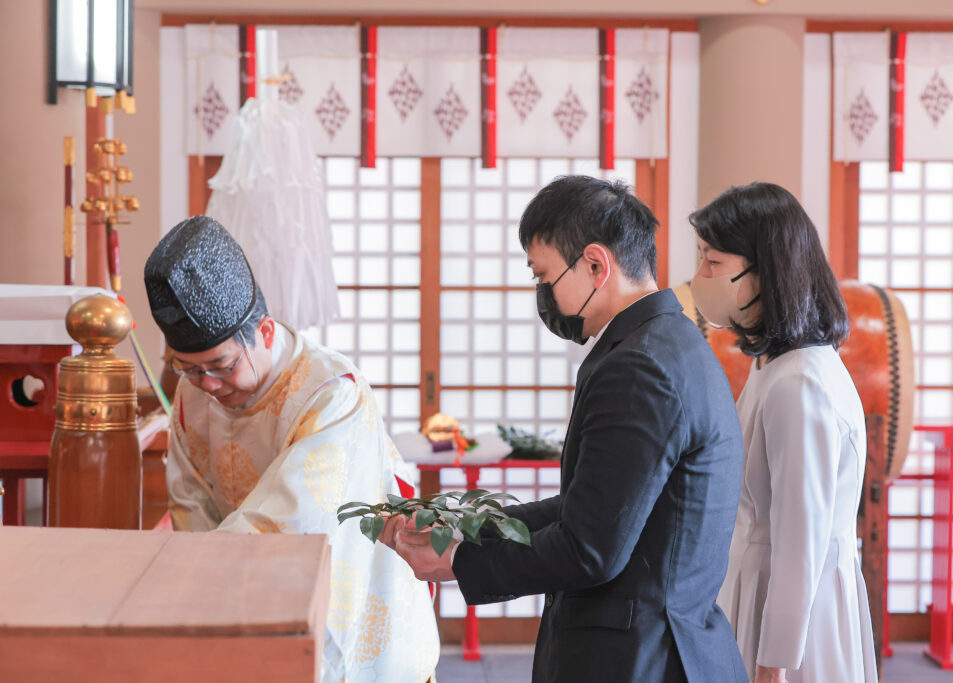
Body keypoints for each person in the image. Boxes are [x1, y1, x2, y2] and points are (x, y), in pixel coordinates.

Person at [383, 176, 748, 682]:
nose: (541, 292)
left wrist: (459, 561)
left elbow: (590, 549)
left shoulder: (639, 368)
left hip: (638, 658)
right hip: (658, 644)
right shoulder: (671, 342)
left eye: (543, 275)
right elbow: (591, 506)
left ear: (596, 265)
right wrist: (468, 528)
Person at [143, 215, 439, 683]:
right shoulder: (192, 395)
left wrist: (191, 573)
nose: (208, 385)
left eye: (220, 365)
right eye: (190, 369)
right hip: (240, 596)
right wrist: (195, 586)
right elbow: (190, 503)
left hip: (351, 596)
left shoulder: (331, 392)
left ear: (262, 332)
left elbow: (291, 519)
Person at [689, 183, 877, 683]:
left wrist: (774, 664)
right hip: (760, 583)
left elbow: (800, 542)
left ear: (763, 270)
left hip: (788, 607)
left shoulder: (799, 383)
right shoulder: (776, 365)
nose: (699, 277)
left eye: (713, 263)